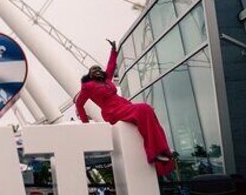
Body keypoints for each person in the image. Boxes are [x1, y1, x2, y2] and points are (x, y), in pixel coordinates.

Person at [75, 39, 176, 177]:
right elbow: (79, 104)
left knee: (148, 111)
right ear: (89, 74)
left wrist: (113, 50)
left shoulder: (107, 80)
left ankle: (161, 151)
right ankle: (155, 152)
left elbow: (110, 66)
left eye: (99, 69)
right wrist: (86, 124)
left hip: (123, 104)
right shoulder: (87, 87)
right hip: (112, 111)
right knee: (144, 109)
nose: (98, 71)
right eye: (94, 70)